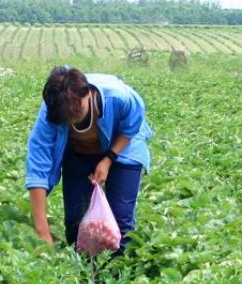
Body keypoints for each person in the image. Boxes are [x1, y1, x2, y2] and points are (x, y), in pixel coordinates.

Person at [24, 66, 153, 253]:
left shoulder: (118, 97)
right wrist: (43, 232)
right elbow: (37, 166)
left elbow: (131, 126)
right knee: (76, 224)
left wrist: (108, 159)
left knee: (119, 223)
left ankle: (116, 272)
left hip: (123, 147)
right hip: (77, 153)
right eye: (66, 119)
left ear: (88, 94)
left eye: (78, 111)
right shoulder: (53, 110)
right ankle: (83, 273)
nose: (73, 121)